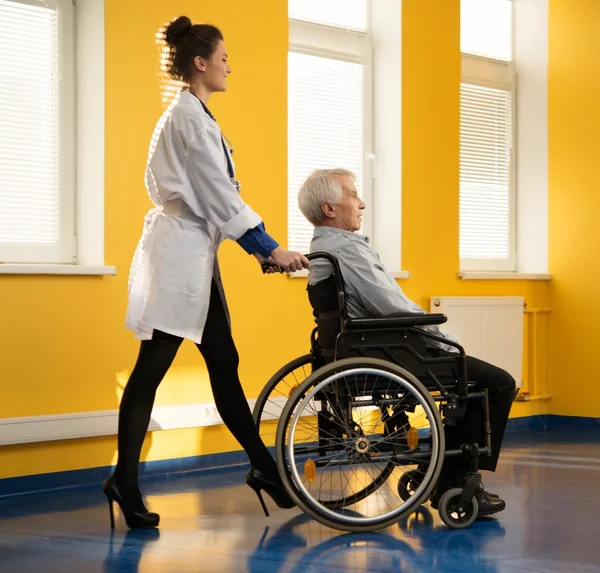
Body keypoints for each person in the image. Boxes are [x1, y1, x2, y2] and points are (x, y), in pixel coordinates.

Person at [102, 15, 308, 529]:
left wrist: (260, 250)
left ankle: (262, 467)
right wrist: (268, 247)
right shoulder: (189, 118)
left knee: (223, 361)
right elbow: (218, 194)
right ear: (201, 63)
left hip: (197, 257)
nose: (229, 68)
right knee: (152, 368)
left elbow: (217, 196)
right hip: (179, 259)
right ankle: (125, 481)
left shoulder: (195, 115)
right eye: (224, 59)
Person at [297, 168, 516, 517]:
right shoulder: (347, 251)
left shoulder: (323, 249)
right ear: (330, 209)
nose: (361, 202)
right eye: (353, 195)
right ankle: (454, 478)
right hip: (391, 351)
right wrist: (439, 334)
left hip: (363, 348)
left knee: (472, 376)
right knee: (498, 382)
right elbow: (391, 306)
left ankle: (442, 469)